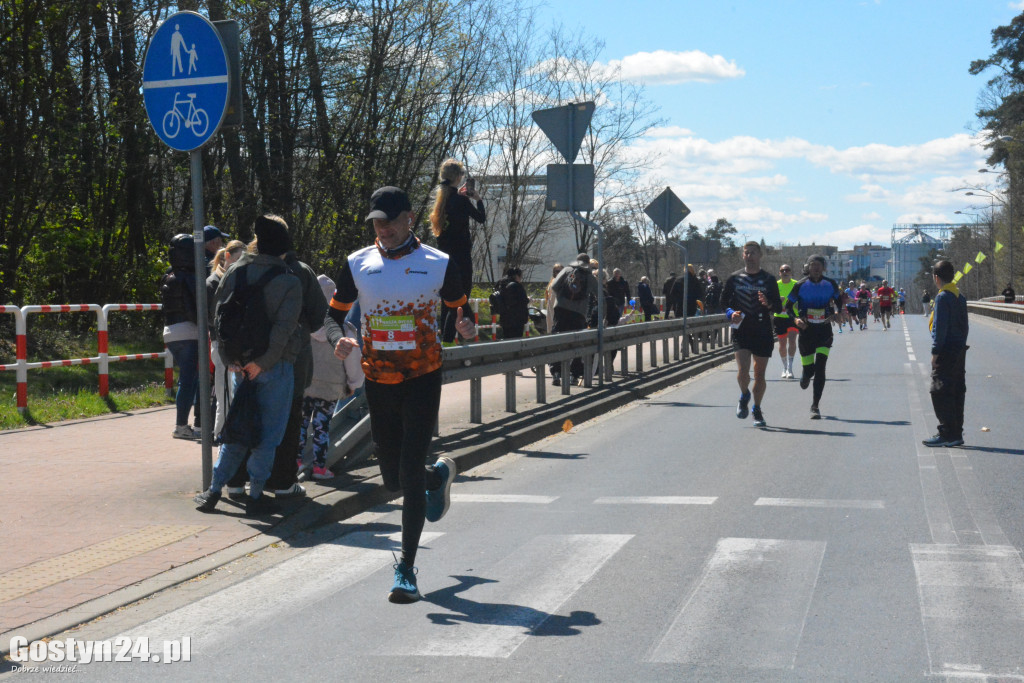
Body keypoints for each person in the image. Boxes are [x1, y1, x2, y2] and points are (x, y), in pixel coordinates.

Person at [325, 186, 476, 603]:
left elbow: (461, 310)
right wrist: (338, 339)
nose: (383, 228)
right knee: (392, 478)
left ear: (409, 218)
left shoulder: (438, 263)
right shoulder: (358, 263)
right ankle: (436, 477)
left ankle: (405, 569)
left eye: (390, 221)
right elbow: (333, 316)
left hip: (422, 377)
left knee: (407, 471)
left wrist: (466, 326)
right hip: (379, 380)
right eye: (377, 221)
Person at [194, 215, 303, 516]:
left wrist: (230, 360)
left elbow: (218, 316)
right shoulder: (290, 281)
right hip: (274, 367)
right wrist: (263, 363)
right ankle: (256, 495)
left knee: (237, 430)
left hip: (238, 366)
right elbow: (284, 329)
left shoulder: (235, 270)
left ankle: (214, 491)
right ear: (284, 247)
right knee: (268, 436)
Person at [299, 275, 364, 480]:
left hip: (305, 384)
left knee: (300, 424)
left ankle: (295, 462)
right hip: (331, 387)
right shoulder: (344, 329)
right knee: (322, 427)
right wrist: (353, 383)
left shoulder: (302, 325)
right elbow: (353, 361)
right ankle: (319, 468)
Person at [720, 241, 783, 427]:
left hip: (762, 331)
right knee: (742, 371)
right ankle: (744, 394)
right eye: (746, 253)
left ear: (760, 255)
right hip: (742, 330)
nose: (749, 256)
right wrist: (731, 313)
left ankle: (757, 409)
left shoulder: (768, 279)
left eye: (753, 253)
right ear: (743, 255)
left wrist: (768, 304)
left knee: (759, 374)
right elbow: (723, 302)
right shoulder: (734, 278)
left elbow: (778, 307)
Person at [430, 159, 485, 343]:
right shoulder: (461, 200)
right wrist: (478, 199)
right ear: (458, 177)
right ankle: (456, 341)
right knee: (461, 301)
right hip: (461, 258)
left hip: (443, 260)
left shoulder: (441, 201)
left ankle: (444, 343)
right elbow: (481, 218)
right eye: (462, 174)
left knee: (448, 302)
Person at [786, 255, 843, 419]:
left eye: (819, 265)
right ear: (808, 267)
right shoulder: (800, 285)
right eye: (813, 265)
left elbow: (839, 301)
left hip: (824, 329)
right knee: (809, 370)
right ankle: (805, 375)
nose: (816, 268)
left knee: (820, 368)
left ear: (824, 267)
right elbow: (788, 307)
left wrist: (837, 312)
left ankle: (815, 406)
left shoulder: (830, 284)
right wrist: (795, 319)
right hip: (806, 330)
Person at [924, 260, 968, 447]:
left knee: (939, 391)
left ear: (936, 278)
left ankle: (947, 433)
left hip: (946, 351)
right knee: (957, 390)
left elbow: (940, 329)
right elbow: (965, 327)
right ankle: (956, 433)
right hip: (959, 350)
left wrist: (935, 353)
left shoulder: (942, 298)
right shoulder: (960, 296)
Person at [161, 234, 201, 440]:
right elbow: (196, 307)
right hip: (189, 332)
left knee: (187, 380)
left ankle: (182, 424)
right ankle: (182, 425)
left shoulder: (168, 276)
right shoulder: (191, 278)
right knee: (189, 380)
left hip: (170, 331)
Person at [206, 239, 247, 440]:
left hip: (231, 344)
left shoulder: (235, 280)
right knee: (224, 392)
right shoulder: (214, 282)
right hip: (220, 343)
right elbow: (211, 317)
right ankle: (220, 433)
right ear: (227, 257)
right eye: (238, 258)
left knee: (231, 392)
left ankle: (225, 432)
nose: (241, 263)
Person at [549, 253, 600, 385]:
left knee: (558, 341)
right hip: (578, 313)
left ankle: (556, 372)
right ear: (588, 263)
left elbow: (554, 286)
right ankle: (574, 375)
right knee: (577, 343)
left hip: (561, 311)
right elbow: (600, 295)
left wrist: (563, 298)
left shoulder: (566, 270)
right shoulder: (589, 277)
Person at [773, 264, 799, 378]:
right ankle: (784, 367)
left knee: (792, 340)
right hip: (779, 317)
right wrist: (777, 300)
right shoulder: (775, 285)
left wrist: (798, 304)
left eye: (787, 270)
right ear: (779, 273)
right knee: (782, 344)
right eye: (782, 270)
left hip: (793, 317)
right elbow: (770, 300)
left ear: (791, 273)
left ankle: (790, 368)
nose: (785, 272)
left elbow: (802, 298)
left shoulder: (796, 284)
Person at [498, 267, 530, 339]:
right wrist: (528, 299)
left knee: (507, 338)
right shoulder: (517, 286)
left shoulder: (502, 285)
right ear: (517, 276)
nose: (521, 278)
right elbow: (523, 301)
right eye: (521, 276)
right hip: (517, 319)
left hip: (504, 318)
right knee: (516, 339)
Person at [544, 263, 562, 334]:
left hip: (557, 309)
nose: (559, 273)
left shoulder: (562, 282)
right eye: (557, 271)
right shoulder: (553, 281)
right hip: (551, 308)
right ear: (554, 272)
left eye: (561, 271)